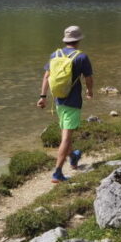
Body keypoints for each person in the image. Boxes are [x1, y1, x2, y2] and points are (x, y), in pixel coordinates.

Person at [37, 25, 94, 183]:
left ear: (66, 40)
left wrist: (43, 96)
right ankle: (57, 173)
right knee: (66, 138)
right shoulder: (81, 57)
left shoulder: (56, 54)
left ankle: (73, 156)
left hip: (58, 101)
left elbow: (46, 76)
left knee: (65, 133)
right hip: (73, 102)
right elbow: (88, 78)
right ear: (79, 40)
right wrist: (90, 91)